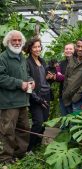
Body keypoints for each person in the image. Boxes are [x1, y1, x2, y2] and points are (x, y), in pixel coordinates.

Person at [0, 30, 33, 163]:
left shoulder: (22, 57)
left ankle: (19, 154)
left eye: (19, 40)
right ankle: (6, 158)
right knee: (8, 130)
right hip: (9, 102)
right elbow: (1, 77)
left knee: (24, 129)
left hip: (22, 101)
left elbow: (27, 74)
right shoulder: (3, 58)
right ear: (8, 42)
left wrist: (30, 80)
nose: (17, 42)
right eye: (14, 40)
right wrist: (20, 84)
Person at [24, 37, 51, 151]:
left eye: (39, 46)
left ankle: (38, 147)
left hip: (46, 95)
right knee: (38, 122)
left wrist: (50, 78)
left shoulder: (42, 61)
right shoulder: (27, 63)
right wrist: (36, 99)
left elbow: (43, 80)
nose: (37, 49)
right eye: (34, 47)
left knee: (44, 122)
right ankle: (29, 148)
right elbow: (28, 82)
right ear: (30, 49)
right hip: (35, 97)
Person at [49, 43, 75, 116]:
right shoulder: (61, 63)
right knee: (65, 117)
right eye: (66, 49)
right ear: (64, 51)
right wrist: (53, 77)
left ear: (74, 50)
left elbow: (72, 77)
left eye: (70, 49)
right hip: (63, 94)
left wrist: (60, 77)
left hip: (74, 95)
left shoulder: (78, 62)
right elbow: (58, 77)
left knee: (73, 117)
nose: (68, 50)